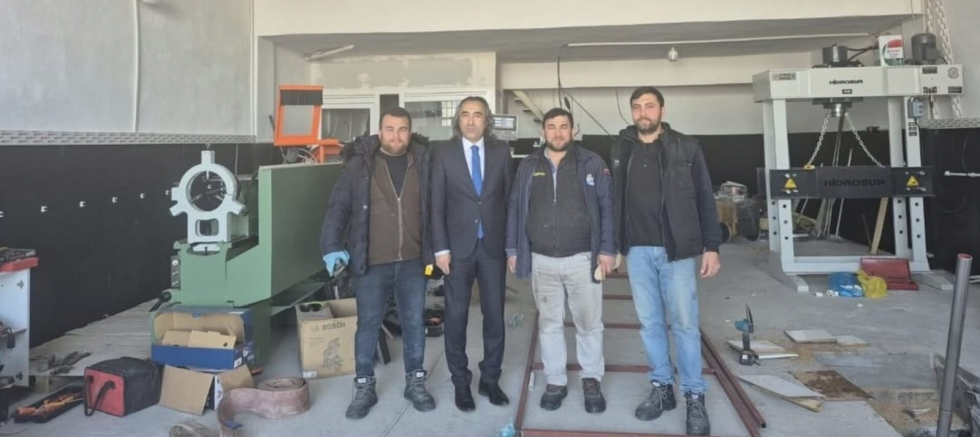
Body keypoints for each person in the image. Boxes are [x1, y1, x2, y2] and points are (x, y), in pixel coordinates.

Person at [611, 87, 721, 435]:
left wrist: (712, 246)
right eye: (636, 107)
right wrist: (613, 245)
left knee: (685, 325)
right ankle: (662, 387)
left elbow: (704, 196)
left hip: (677, 250)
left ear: (662, 110)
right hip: (637, 251)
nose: (642, 112)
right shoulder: (621, 147)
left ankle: (694, 395)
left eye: (649, 106)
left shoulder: (686, 147)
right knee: (650, 325)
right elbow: (615, 199)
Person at [319, 107, 436, 420]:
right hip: (371, 262)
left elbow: (438, 207)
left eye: (402, 129)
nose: (396, 136)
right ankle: (364, 387)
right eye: (390, 129)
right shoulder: (359, 164)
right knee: (368, 324)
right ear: (380, 131)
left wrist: (439, 249)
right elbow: (338, 208)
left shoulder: (423, 162)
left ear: (410, 132)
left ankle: (415, 383)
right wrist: (331, 246)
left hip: (414, 262)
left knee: (414, 323)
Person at [505, 108, 615, 413]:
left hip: (583, 258)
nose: (557, 132)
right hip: (542, 260)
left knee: (589, 324)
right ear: (543, 131)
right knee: (549, 324)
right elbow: (515, 207)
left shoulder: (592, 163)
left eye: (563, 126)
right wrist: (513, 249)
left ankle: (591, 379)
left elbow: (607, 207)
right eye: (551, 127)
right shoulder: (529, 165)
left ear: (573, 130)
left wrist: (607, 250)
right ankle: (555, 380)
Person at [430, 96, 512, 412]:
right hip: (457, 250)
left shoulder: (501, 152)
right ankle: (461, 382)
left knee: (495, 317)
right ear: (458, 119)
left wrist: (512, 246)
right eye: (465, 114)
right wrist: (440, 248)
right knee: (456, 317)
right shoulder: (443, 154)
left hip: (492, 248)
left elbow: (509, 200)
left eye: (477, 114)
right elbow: (436, 204)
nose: (471, 120)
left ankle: (490, 379)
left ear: (486, 120)